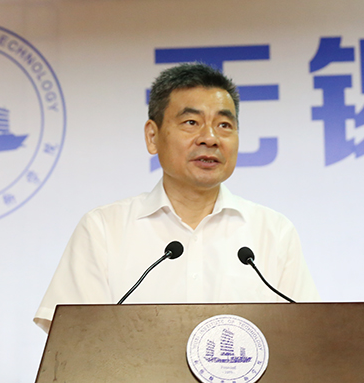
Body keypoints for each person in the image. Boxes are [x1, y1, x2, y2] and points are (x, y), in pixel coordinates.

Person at [34, 63, 319, 333]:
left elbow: (306, 338)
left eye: (224, 125)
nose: (210, 138)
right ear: (152, 136)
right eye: (191, 122)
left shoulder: (273, 232)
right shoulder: (104, 229)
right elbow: (73, 341)